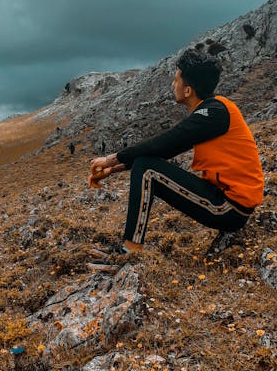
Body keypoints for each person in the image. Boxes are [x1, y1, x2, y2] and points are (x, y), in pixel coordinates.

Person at [88, 49, 264, 254]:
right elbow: (167, 149)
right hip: (225, 201)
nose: (173, 85)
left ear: (188, 90)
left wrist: (109, 159)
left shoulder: (214, 113)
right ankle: (131, 247)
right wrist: (114, 169)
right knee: (146, 164)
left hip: (229, 209)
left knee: (147, 169)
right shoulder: (214, 111)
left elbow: (164, 142)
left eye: (176, 80)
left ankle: (130, 251)